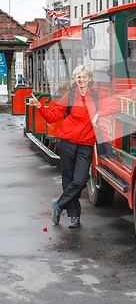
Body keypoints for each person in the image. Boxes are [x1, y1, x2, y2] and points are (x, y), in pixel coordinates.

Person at [28, 64, 120, 228]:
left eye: (84, 77)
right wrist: (40, 106)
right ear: (75, 79)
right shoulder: (69, 96)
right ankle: (74, 216)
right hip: (67, 142)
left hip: (86, 144)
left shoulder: (97, 96)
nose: (81, 79)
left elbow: (116, 105)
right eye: (78, 77)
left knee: (81, 179)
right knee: (68, 179)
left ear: (89, 79)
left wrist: (99, 113)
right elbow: (53, 116)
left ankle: (58, 205)